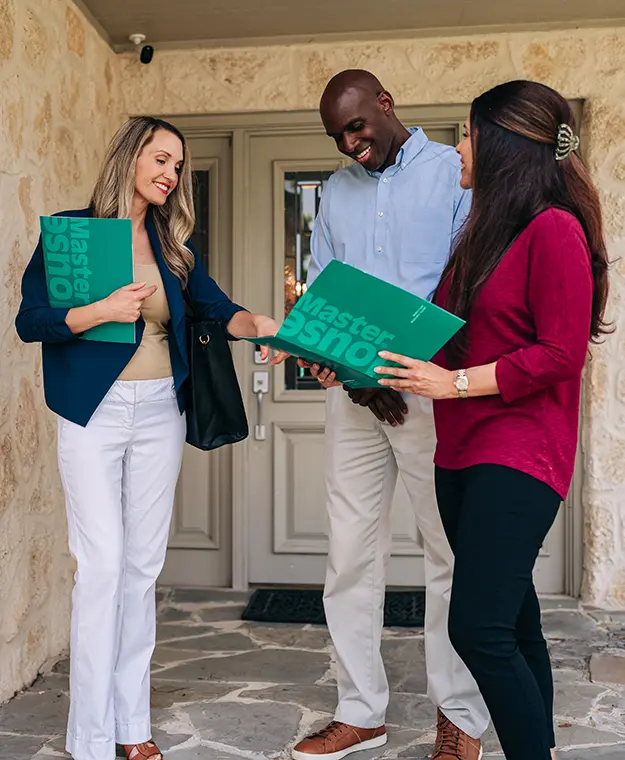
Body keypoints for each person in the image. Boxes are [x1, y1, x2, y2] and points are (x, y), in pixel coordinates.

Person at [15, 116, 278, 760]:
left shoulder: (173, 245)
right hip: (92, 414)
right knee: (100, 568)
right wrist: (101, 311)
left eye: (179, 165)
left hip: (161, 410)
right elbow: (31, 321)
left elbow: (218, 306)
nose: (171, 173)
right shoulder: (73, 234)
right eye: (161, 158)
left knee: (140, 569)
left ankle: (133, 728)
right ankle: (90, 738)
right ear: (130, 158)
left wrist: (261, 324)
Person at [374, 80, 611, 760]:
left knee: (477, 629)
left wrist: (452, 384)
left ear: (504, 147)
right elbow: (436, 335)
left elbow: (559, 354)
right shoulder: (479, 237)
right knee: (515, 625)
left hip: (521, 455)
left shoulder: (553, 230)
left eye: (470, 135)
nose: (458, 147)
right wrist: (348, 358)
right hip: (459, 456)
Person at [287, 70, 489, 760]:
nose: (350, 145)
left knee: (446, 554)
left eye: (356, 127)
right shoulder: (334, 194)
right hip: (355, 396)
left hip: (428, 390)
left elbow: (470, 283)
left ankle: (458, 715)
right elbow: (325, 290)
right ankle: (360, 711)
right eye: (336, 137)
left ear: (384, 104)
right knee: (347, 551)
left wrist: (412, 371)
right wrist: (324, 354)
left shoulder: (451, 174)